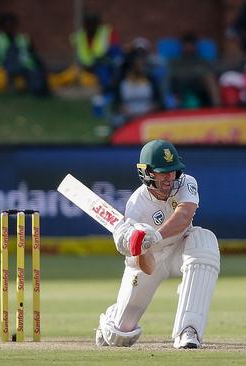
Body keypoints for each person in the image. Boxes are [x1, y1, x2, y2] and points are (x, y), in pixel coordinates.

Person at [96, 139, 221, 349]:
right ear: (147, 173)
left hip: (181, 245)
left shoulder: (186, 182)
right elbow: (146, 265)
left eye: (173, 171)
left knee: (205, 242)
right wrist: (134, 242)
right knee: (120, 337)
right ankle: (112, 318)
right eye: (163, 172)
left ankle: (188, 330)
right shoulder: (136, 206)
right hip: (150, 258)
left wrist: (157, 235)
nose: (170, 178)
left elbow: (185, 214)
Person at [0, 12, 49, 96]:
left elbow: (34, 56)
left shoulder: (24, 38)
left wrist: (40, 66)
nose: (9, 27)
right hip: (3, 69)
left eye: (11, 24)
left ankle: (39, 91)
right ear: (1, 26)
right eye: (6, 25)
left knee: (35, 72)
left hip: (25, 67)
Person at [110, 46, 163, 127]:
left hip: (148, 113)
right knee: (117, 120)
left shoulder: (151, 79)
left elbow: (158, 101)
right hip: (128, 115)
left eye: (142, 62)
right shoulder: (122, 80)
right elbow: (117, 103)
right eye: (138, 62)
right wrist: (129, 113)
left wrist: (147, 111)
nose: (141, 66)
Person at [70, 11, 122, 93]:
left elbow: (116, 52)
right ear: (85, 25)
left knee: (104, 70)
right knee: (69, 74)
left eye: (93, 23)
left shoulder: (107, 32)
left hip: (103, 65)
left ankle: (109, 90)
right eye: (88, 24)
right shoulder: (79, 36)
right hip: (84, 68)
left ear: (98, 24)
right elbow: (77, 55)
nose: (91, 26)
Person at [168, 32, 220, 109]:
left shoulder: (202, 61)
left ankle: (217, 107)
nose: (189, 47)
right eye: (186, 44)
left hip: (200, 89)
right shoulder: (175, 62)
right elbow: (173, 76)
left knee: (210, 79)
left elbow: (209, 73)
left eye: (191, 44)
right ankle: (170, 108)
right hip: (181, 88)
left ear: (195, 45)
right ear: (182, 46)